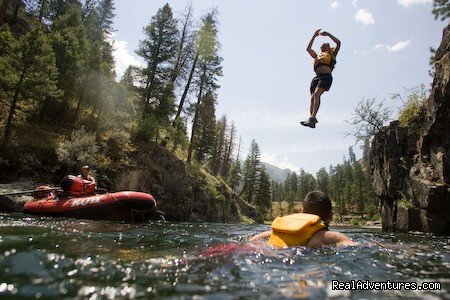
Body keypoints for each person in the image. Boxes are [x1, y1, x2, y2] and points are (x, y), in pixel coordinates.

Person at [249, 191, 355, 248]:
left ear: (303, 213)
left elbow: (253, 240)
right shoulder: (329, 236)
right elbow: (354, 246)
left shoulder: (276, 233)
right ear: (331, 215)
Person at [301, 29, 341, 128]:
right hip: (316, 78)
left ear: (328, 46)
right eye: (321, 46)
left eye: (323, 45)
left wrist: (328, 34)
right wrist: (314, 36)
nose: (321, 46)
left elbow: (338, 42)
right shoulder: (317, 56)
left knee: (316, 94)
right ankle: (312, 119)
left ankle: (313, 118)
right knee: (312, 98)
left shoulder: (332, 53)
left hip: (325, 76)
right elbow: (308, 49)